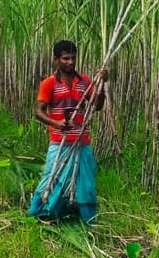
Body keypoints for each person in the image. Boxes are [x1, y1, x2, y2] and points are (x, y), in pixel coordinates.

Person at [29, 40, 108, 224]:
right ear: (57, 59)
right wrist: (56, 123)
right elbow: (38, 111)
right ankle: (39, 214)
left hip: (82, 142)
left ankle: (89, 220)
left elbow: (97, 106)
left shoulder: (85, 82)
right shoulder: (49, 83)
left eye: (73, 58)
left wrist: (102, 85)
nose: (70, 62)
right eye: (65, 58)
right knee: (52, 178)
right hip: (59, 142)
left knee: (87, 183)